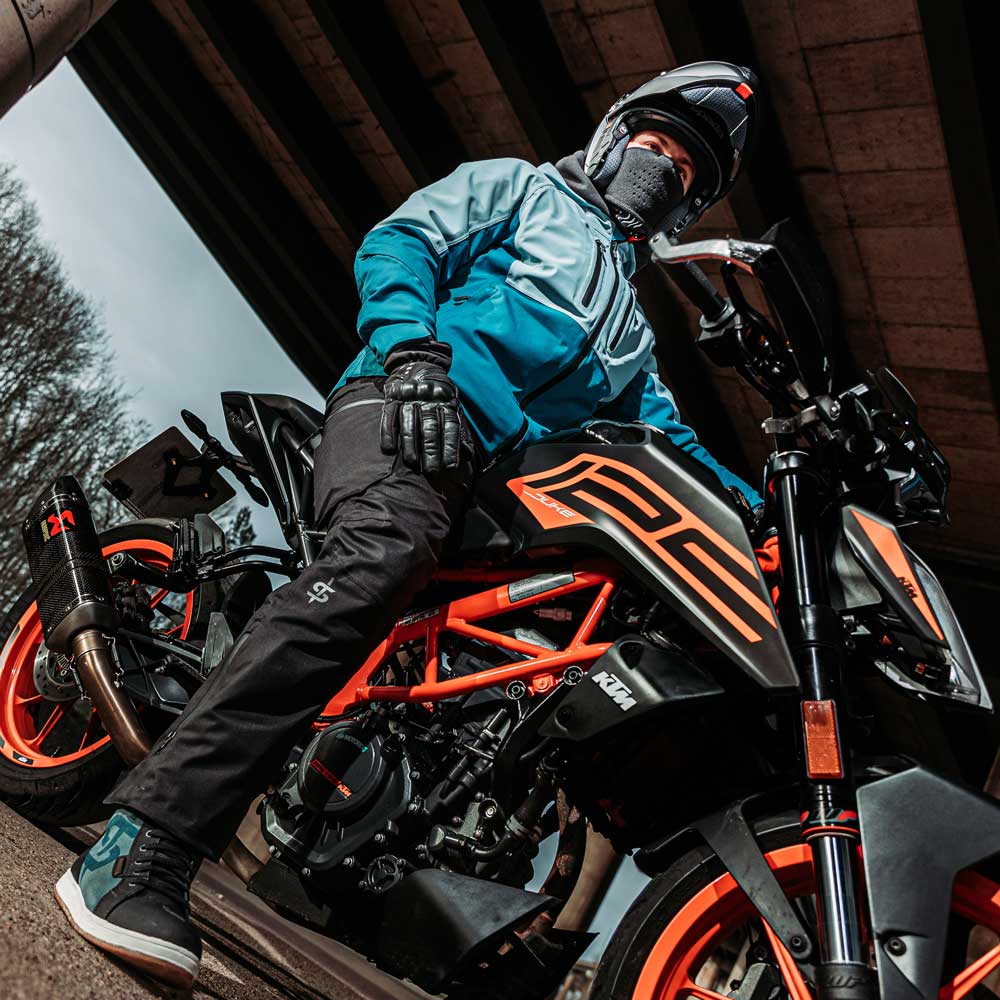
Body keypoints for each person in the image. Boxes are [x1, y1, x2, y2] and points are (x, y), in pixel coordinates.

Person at [54, 61, 763, 988]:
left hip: (488, 487)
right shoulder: (522, 188)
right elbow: (401, 243)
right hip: (402, 404)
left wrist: (765, 510)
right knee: (380, 553)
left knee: (538, 658)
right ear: (613, 136)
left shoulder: (633, 326)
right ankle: (137, 847)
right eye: (657, 145)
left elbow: (666, 440)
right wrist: (417, 355)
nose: (663, 169)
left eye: (686, 172)